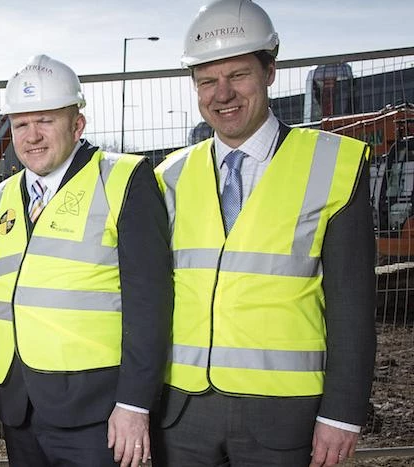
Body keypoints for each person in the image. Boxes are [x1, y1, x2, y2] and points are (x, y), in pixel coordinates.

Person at [152, 1, 376, 465]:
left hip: (285, 413)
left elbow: (353, 304)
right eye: (207, 81)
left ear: (270, 70)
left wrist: (343, 413)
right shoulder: (170, 175)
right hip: (183, 410)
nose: (223, 94)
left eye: (238, 75)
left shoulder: (334, 166)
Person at [0, 54, 172, 467]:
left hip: (99, 412)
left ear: (77, 125)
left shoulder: (123, 178)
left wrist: (135, 405)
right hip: (20, 408)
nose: (32, 136)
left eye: (45, 121)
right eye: (20, 124)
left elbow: (150, 304)